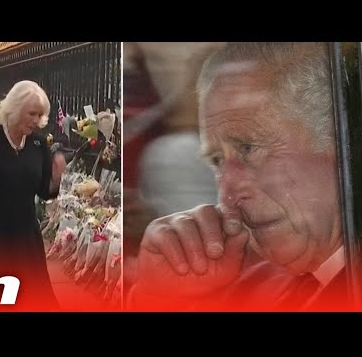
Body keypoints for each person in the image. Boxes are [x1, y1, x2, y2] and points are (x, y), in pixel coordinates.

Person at [129, 42, 349, 312]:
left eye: (249, 148)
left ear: (339, 138)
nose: (227, 194)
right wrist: (162, 299)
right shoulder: (249, 285)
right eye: (217, 160)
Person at [0, 80, 66, 311]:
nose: (36, 120)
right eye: (31, 113)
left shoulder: (38, 144)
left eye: (40, 115)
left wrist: (56, 177)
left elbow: (45, 192)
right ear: (15, 108)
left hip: (25, 235)